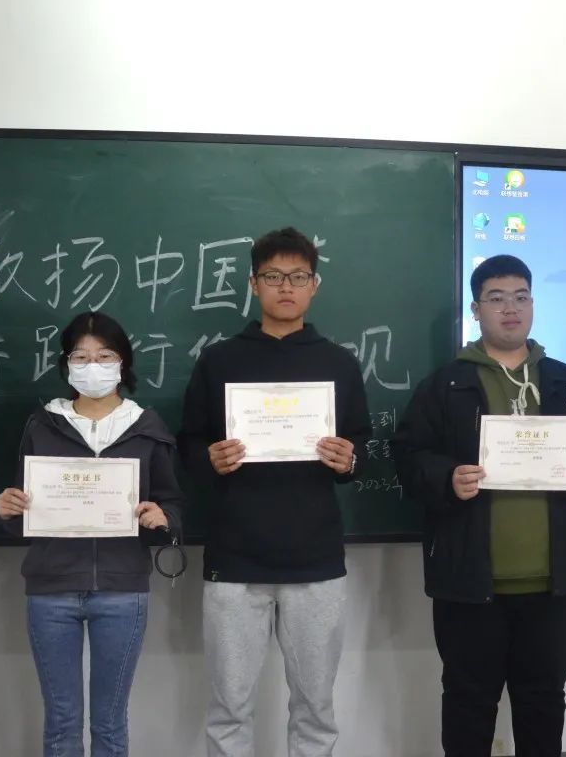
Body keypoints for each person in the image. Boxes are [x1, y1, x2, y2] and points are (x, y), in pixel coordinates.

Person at [392, 254, 566, 757]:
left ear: (533, 304)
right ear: (476, 310)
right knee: (469, 703)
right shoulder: (446, 385)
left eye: (521, 297)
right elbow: (408, 456)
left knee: (543, 702)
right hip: (470, 581)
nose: (510, 308)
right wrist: (447, 477)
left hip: (553, 581)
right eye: (496, 299)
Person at [178, 226, 372, 757]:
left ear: (315, 285)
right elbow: (187, 444)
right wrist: (209, 457)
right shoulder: (220, 360)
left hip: (316, 560)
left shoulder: (338, 362)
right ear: (253, 284)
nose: (286, 286)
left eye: (298, 276)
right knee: (229, 709)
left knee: (315, 708)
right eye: (273, 276)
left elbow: (361, 443)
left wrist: (348, 459)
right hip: (234, 559)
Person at [0, 310, 183, 757]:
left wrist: (163, 518)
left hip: (122, 590)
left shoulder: (147, 428)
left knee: (110, 723)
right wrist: (8, 509)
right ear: (66, 364)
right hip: (51, 588)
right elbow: (24, 509)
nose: (92, 366)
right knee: (61, 722)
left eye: (104, 356)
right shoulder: (43, 424)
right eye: (80, 357)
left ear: (123, 363)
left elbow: (172, 503)